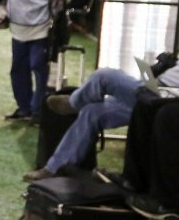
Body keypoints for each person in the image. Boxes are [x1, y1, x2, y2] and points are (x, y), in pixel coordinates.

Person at [24, 57, 179, 182]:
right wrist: (163, 67)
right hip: (155, 90)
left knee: (104, 76)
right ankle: (55, 168)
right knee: (92, 112)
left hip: (164, 99)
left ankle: (73, 103)